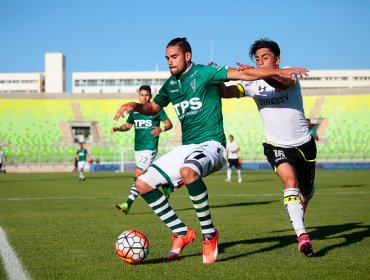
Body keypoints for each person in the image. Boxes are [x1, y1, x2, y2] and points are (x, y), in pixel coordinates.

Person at [113, 37, 308, 264]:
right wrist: (134, 105)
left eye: (174, 57)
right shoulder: (171, 84)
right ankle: (182, 232)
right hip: (186, 147)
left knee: (188, 172)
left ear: (187, 56)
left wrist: (279, 72)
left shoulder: (205, 72)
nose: (169, 62)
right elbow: (153, 107)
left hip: (212, 145)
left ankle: (209, 234)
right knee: (142, 184)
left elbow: (243, 75)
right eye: (167, 58)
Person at [220, 38, 316, 256]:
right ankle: (302, 237)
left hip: (304, 145)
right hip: (276, 146)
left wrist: (256, 72)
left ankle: (303, 201)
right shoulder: (251, 82)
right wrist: (211, 78)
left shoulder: (289, 74)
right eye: (257, 59)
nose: (261, 62)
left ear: (277, 59)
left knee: (307, 191)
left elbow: (281, 84)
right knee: (289, 182)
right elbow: (228, 93)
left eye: (265, 58)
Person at [112, 85, 174, 214]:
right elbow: (128, 126)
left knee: (138, 175)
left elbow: (169, 124)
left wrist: (161, 129)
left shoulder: (157, 109)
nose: (144, 97)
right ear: (139, 96)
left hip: (149, 147)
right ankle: (166, 184)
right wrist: (118, 128)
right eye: (142, 95)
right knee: (145, 175)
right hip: (138, 148)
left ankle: (127, 204)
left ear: (150, 96)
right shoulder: (135, 111)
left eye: (147, 95)